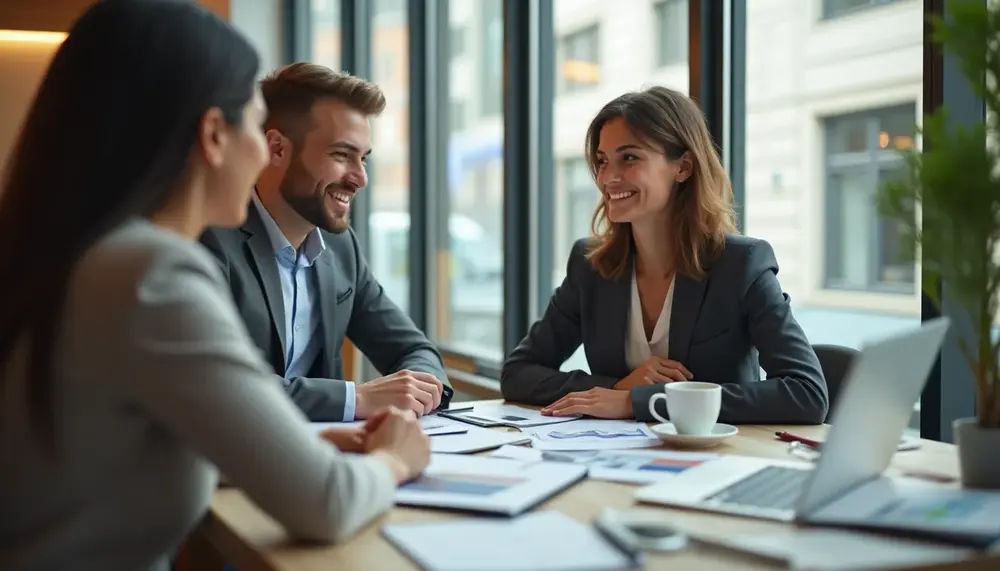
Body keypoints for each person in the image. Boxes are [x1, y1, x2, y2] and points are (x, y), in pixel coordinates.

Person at [0, 2, 429, 570]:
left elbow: (108, 450)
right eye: (254, 125)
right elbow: (328, 503)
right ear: (213, 135)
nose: (261, 152)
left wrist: (304, 447)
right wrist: (395, 459)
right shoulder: (150, 273)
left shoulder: (80, 252)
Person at [500, 86, 828, 425]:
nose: (607, 177)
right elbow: (518, 373)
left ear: (683, 167)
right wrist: (616, 387)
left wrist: (638, 401)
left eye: (629, 157)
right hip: (615, 457)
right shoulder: (590, 265)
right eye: (602, 160)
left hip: (718, 460)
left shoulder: (741, 265)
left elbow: (806, 393)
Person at [200, 62, 451, 422]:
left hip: (323, 458)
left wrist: (417, 390)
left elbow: (414, 349)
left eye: (363, 159)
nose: (360, 178)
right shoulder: (210, 240)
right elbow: (223, 386)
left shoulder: (340, 247)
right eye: (341, 155)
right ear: (277, 149)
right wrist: (357, 398)